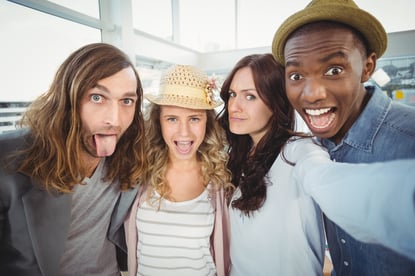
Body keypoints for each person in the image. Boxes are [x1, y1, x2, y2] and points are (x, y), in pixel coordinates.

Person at [272, 0, 415, 274]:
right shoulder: (312, 144)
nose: (312, 94)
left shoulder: (409, 141)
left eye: (334, 70)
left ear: (367, 67)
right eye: (297, 75)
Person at [0, 43, 147, 276]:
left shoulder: (132, 151)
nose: (114, 119)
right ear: (67, 98)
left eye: (126, 101)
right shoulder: (7, 158)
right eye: (97, 97)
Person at [218, 53, 328, 275]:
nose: (234, 106)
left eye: (250, 97)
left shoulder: (296, 151)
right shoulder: (241, 156)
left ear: (276, 101)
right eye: (232, 94)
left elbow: (321, 171)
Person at [124, 64, 233, 276]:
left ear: (206, 122)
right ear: (159, 122)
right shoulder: (139, 173)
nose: (184, 132)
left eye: (194, 118)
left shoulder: (219, 180)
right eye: (172, 119)